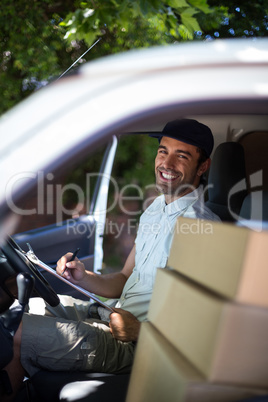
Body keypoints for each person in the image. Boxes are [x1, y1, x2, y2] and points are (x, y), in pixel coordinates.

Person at [3, 118, 220, 400]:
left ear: (203, 166)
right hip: (108, 314)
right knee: (17, 308)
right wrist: (83, 276)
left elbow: (199, 325)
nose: (166, 163)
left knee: (13, 332)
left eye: (182, 156)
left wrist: (139, 330)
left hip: (135, 344)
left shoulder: (202, 228)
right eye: (163, 151)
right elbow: (124, 278)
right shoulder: (155, 208)